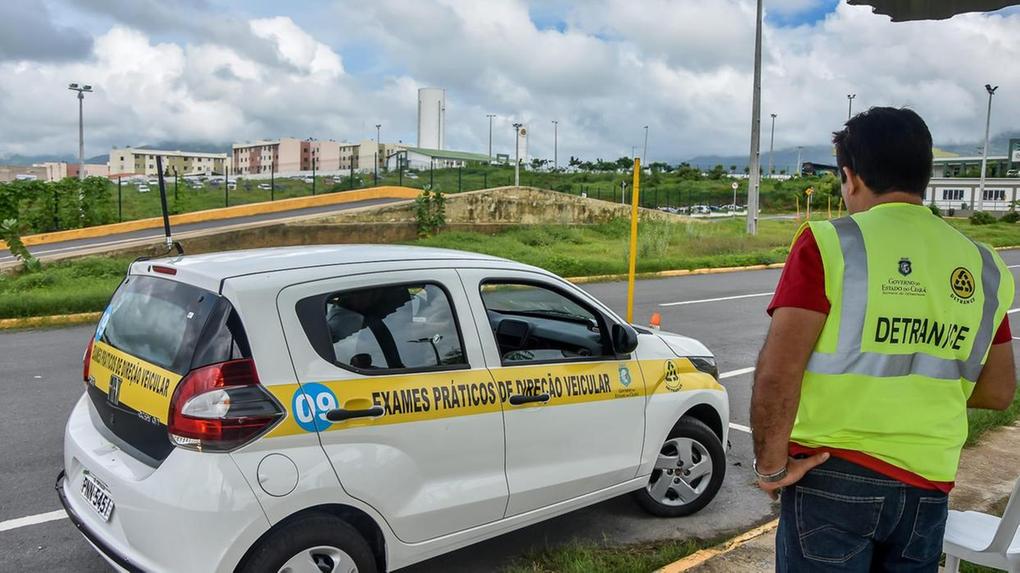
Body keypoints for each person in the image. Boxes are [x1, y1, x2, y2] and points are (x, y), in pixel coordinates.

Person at [749, 107, 1016, 572]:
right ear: (924, 175)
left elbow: (778, 372)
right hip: (929, 486)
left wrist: (772, 468)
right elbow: (997, 392)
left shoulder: (830, 243)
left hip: (833, 476)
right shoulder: (984, 264)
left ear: (850, 177)